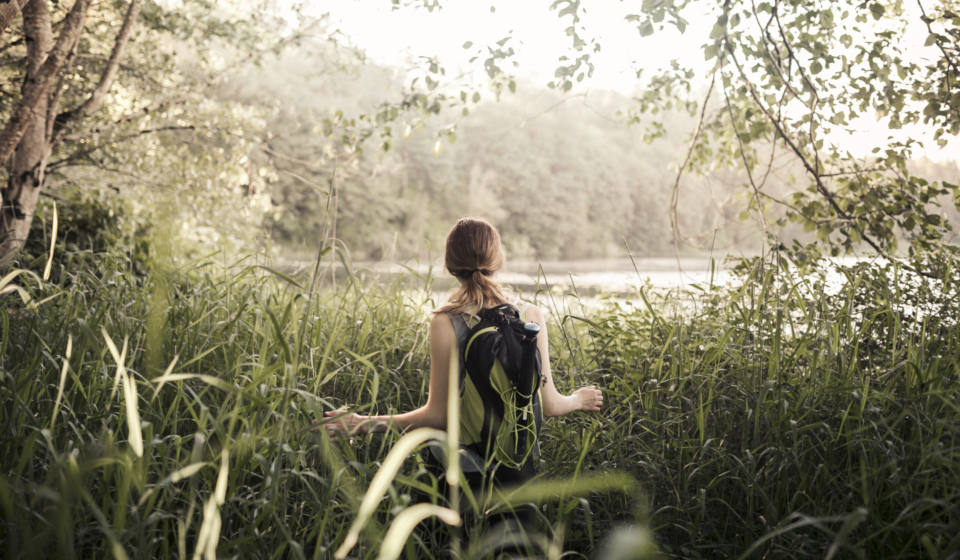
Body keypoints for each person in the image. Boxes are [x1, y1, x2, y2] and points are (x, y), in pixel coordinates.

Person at [318, 217, 603, 540]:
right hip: (517, 468)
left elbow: (436, 417)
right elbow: (549, 405)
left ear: (450, 265)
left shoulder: (446, 321)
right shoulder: (530, 316)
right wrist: (578, 400)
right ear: (497, 261)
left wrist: (362, 422)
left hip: (457, 471)